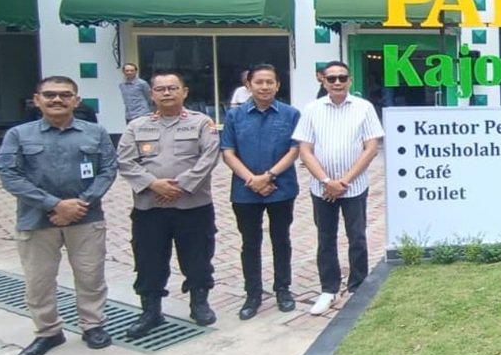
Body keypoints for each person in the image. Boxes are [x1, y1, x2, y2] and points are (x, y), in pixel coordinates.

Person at [0, 76, 118, 355]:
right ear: (36, 100)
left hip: (86, 218)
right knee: (39, 280)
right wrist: (55, 205)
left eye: (65, 95)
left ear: (76, 100)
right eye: (49, 95)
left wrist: (81, 204)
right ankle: (48, 331)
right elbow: (10, 176)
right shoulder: (19, 135)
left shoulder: (95, 132)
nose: (57, 100)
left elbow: (108, 170)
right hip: (36, 220)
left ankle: (93, 325)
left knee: (90, 277)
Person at [117, 71, 221, 337]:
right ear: (151, 94)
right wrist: (154, 184)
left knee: (198, 258)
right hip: (149, 208)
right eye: (160, 89)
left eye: (172, 88)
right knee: (149, 259)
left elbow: (208, 158)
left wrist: (181, 186)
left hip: (193, 205)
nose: (166, 93)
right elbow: (125, 161)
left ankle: (199, 303)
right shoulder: (137, 126)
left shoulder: (201, 123)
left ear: (184, 92)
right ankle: (151, 311)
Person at [294, 60, 384, 315]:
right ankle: (329, 288)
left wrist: (344, 181)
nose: (336, 83)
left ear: (350, 80)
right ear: (322, 80)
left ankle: (358, 287)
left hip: (354, 187)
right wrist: (327, 181)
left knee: (357, 236)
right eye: (331, 78)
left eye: (341, 78)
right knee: (325, 238)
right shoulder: (311, 109)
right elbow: (305, 150)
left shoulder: (363, 108)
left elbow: (371, 148)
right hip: (322, 187)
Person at [220, 64, 301, 320]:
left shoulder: (291, 114)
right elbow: (227, 152)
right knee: (250, 243)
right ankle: (253, 293)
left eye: (270, 82)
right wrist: (252, 180)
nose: (264, 87)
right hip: (245, 191)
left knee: (281, 240)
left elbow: (295, 150)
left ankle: (283, 289)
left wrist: (269, 176)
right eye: (259, 82)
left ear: (278, 85)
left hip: (281, 188)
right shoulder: (235, 116)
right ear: (248, 85)